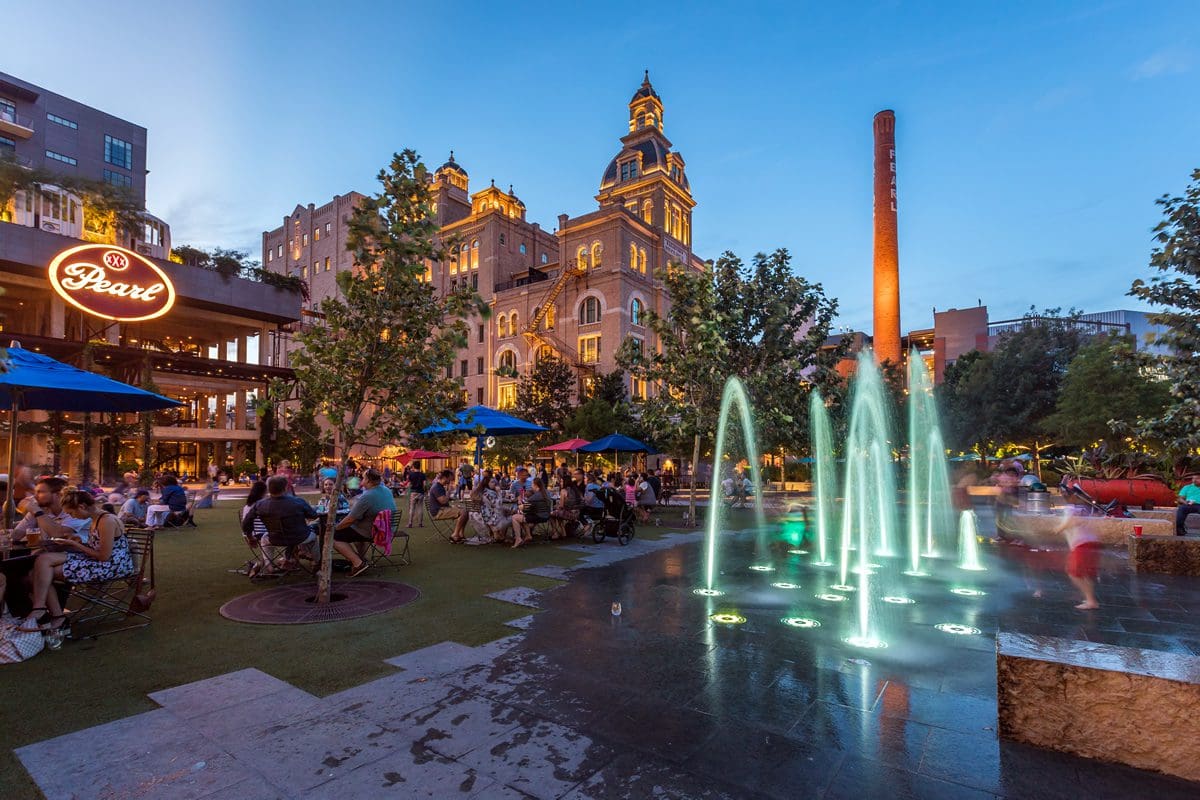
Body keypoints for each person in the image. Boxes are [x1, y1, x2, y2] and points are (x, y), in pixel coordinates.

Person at [28, 490, 136, 638]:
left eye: (71, 513)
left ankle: (56, 617)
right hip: (99, 562)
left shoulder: (107, 521)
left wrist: (75, 544)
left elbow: (104, 557)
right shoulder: (96, 519)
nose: (72, 517)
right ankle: (41, 608)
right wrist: (79, 541)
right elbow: (98, 548)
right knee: (43, 559)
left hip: (111, 567)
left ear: (82, 506)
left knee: (39, 574)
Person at [240, 476, 320, 572]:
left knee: (264, 539)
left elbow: (246, 523)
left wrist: (250, 537)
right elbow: (313, 515)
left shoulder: (260, 504)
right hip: (299, 537)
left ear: (269, 488)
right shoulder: (298, 501)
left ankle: (269, 566)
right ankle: (317, 562)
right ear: (285, 487)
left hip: (274, 538)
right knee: (314, 536)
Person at [332, 468, 397, 576]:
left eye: (363, 478)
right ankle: (360, 558)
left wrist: (336, 527)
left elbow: (350, 519)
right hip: (388, 528)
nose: (361, 480)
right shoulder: (386, 490)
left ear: (368, 481)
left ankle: (358, 563)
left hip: (375, 532)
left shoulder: (368, 496)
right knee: (354, 533)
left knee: (334, 537)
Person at [15, 477, 92, 542]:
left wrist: (37, 512)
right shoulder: (39, 509)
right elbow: (17, 535)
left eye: (40, 492)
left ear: (58, 494)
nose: (35, 496)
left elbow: (58, 534)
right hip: (49, 552)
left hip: (75, 554)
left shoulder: (76, 509)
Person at [1056, 505, 1101, 610]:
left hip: (1082, 545)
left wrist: (1058, 529)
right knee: (1084, 574)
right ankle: (1090, 598)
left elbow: (1072, 520)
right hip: (1090, 542)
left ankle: (1091, 601)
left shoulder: (1070, 509)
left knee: (1074, 574)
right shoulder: (1083, 508)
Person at [511, 477, 551, 548]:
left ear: (536, 485)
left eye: (532, 484)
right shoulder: (546, 492)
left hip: (538, 517)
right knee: (522, 515)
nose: (531, 486)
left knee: (514, 517)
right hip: (546, 515)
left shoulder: (535, 496)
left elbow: (523, 508)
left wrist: (520, 502)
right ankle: (528, 535)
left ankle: (518, 539)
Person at [550, 475, 583, 539]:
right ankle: (563, 532)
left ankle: (555, 533)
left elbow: (561, 506)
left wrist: (556, 506)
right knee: (558, 514)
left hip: (569, 514)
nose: (560, 483)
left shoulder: (564, 491)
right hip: (577, 513)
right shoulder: (576, 489)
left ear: (565, 482)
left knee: (551, 514)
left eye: (562, 481)